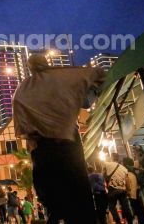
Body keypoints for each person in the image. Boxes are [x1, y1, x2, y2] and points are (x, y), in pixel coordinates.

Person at [12, 54, 103, 224]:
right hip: (67, 141)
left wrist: (32, 143)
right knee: (76, 184)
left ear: (29, 68)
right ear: (47, 64)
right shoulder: (61, 81)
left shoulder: (24, 89)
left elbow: (22, 122)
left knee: (51, 189)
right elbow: (85, 101)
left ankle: (57, 214)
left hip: (42, 146)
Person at [124, 157, 144, 224]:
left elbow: (129, 183)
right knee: (141, 208)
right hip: (138, 191)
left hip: (133, 193)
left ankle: (142, 221)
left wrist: (129, 192)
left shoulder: (128, 172)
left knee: (137, 209)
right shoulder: (134, 170)